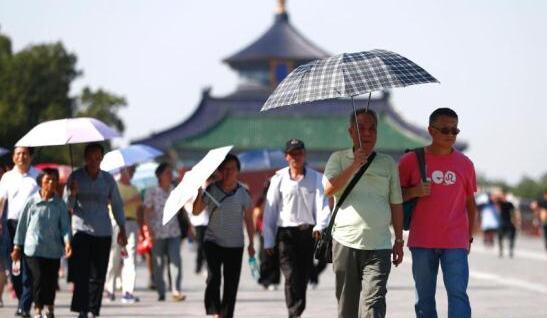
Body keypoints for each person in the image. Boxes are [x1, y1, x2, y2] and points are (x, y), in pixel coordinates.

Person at [323, 109, 404, 318]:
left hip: (379, 245)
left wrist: (399, 240)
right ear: (351, 132)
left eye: (372, 129)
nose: (367, 133)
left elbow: (396, 203)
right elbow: (329, 189)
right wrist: (354, 165)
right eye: (361, 128)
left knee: (374, 303)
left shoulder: (387, 163)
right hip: (344, 242)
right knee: (347, 307)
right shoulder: (338, 158)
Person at [399, 107, 477, 318]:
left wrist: (469, 236)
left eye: (455, 131)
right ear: (431, 131)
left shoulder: (466, 164)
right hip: (422, 241)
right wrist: (415, 191)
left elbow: (470, 203)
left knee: (458, 294)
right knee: (423, 298)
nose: (451, 135)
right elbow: (394, 197)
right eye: (445, 130)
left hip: (456, 241)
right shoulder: (410, 161)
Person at [263, 138, 330, 318]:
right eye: (292, 154)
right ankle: (294, 313)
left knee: (303, 276)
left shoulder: (317, 178)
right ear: (286, 157)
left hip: (308, 233)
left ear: (304, 155)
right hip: (285, 234)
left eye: (299, 153)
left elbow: (323, 206)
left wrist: (320, 226)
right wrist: (268, 240)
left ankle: (297, 310)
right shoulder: (278, 179)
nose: (296, 157)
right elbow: (270, 211)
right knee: (290, 275)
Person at [66, 143, 127, 318]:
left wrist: (122, 228)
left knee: (98, 274)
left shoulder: (108, 180)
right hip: (81, 231)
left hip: (103, 232)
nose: (94, 161)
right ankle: (82, 310)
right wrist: (73, 194)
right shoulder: (75, 177)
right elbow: (67, 207)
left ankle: (94, 310)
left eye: (98, 157)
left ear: (101, 158)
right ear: (85, 158)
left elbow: (116, 205)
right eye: (91, 157)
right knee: (82, 273)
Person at [192, 154, 255, 318]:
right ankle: (214, 311)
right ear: (220, 171)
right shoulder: (211, 190)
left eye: (231, 169)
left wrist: (251, 244)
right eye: (224, 169)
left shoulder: (244, 193)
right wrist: (199, 193)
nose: (228, 172)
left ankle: (226, 314)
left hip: (235, 244)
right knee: (213, 277)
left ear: (237, 171)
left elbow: (249, 219)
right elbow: (196, 211)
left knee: (231, 283)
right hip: (212, 241)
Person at [12, 168, 72, 318]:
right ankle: (38, 309)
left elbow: (65, 227)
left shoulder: (60, 204)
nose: (51, 183)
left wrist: (67, 243)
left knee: (51, 281)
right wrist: (17, 247)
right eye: (47, 180)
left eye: (53, 180)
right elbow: (22, 226)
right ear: (41, 183)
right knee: (38, 279)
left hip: (53, 250)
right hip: (33, 249)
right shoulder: (31, 202)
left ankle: (50, 308)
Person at [0, 147, 40, 317]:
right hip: (11, 225)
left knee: (29, 266)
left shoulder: (37, 175)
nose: (21, 157)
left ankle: (24, 306)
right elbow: (1, 200)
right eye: (18, 153)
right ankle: (22, 299)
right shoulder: (7, 177)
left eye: (25, 153)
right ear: (14, 157)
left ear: (30, 156)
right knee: (12, 266)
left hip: (32, 226)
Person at [143, 162, 186, 302]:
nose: (170, 175)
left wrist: (189, 227)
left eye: (170, 173)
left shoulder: (175, 190)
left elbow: (182, 211)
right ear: (159, 176)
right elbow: (147, 213)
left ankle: (176, 290)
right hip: (157, 233)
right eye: (167, 172)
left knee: (175, 261)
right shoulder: (151, 192)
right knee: (159, 264)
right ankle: (161, 291)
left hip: (174, 232)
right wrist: (149, 232)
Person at [104, 166, 143, 303]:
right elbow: (114, 204)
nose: (131, 173)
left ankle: (128, 291)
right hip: (116, 223)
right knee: (114, 257)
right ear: (122, 171)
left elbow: (139, 210)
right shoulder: (114, 186)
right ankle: (110, 289)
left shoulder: (135, 189)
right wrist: (132, 200)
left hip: (132, 224)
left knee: (130, 257)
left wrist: (142, 227)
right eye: (129, 170)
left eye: (133, 171)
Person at [254, 179, 280, 291]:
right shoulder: (262, 200)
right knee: (264, 256)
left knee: (275, 257)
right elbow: (256, 213)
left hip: (277, 231)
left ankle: (274, 280)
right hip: (263, 231)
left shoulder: (278, 199)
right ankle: (265, 279)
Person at [496, 191, 518, 258]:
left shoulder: (510, 204)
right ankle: (501, 251)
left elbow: (513, 213)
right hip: (502, 222)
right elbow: (496, 200)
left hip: (509, 223)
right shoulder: (500, 203)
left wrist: (515, 221)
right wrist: (499, 196)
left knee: (512, 237)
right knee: (500, 237)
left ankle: (511, 250)